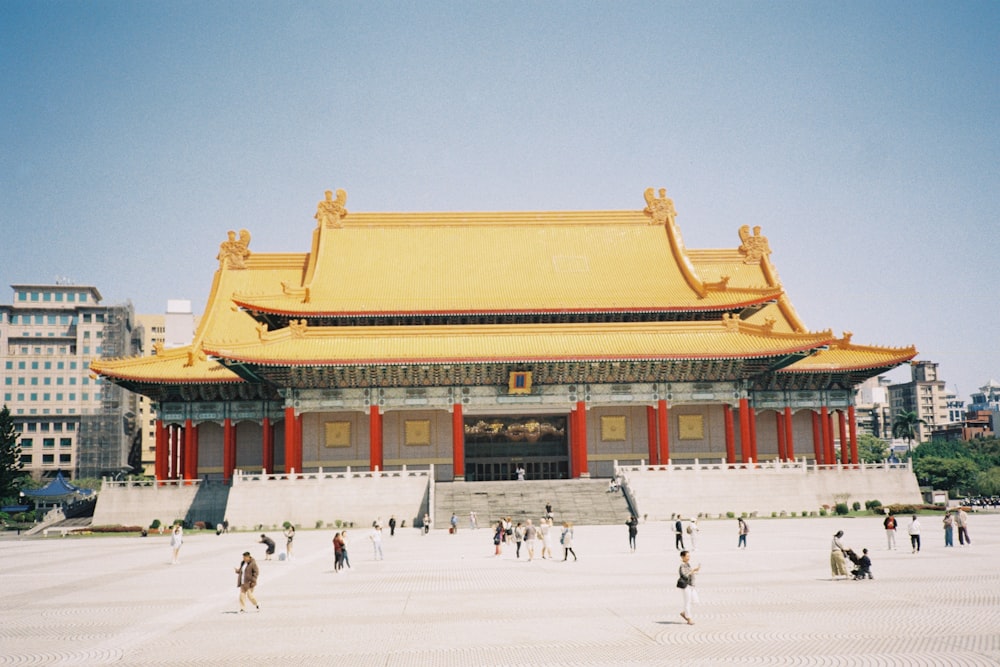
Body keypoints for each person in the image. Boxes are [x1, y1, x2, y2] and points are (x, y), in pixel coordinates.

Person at [677, 550, 700, 625]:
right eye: (687, 556)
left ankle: (684, 613)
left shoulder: (688, 564)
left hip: (691, 585)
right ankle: (689, 618)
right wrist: (693, 571)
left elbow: (690, 573)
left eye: (689, 556)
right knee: (687, 602)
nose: (688, 557)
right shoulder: (682, 565)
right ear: (682, 557)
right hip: (686, 586)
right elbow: (684, 575)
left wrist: (695, 571)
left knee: (695, 601)